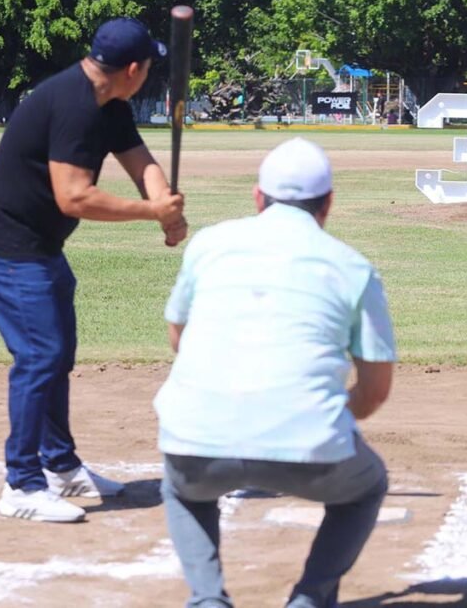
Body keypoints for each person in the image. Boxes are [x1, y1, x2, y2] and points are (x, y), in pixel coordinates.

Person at [0, 17, 188, 523]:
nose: (149, 72)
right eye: (149, 65)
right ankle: (21, 484)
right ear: (134, 68)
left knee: (56, 355)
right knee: (40, 356)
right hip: (6, 250)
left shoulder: (110, 104)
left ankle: (60, 468)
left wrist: (167, 208)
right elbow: (74, 196)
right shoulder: (73, 105)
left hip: (37, 250)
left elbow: (142, 162)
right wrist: (152, 213)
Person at [154, 138, 396, 608]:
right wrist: (319, 409)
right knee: (367, 486)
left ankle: (207, 600)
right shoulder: (353, 266)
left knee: (184, 489)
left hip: (195, 434)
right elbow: (374, 391)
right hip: (312, 447)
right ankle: (309, 598)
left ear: (258, 197)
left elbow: (178, 337)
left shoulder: (209, 244)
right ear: (327, 204)